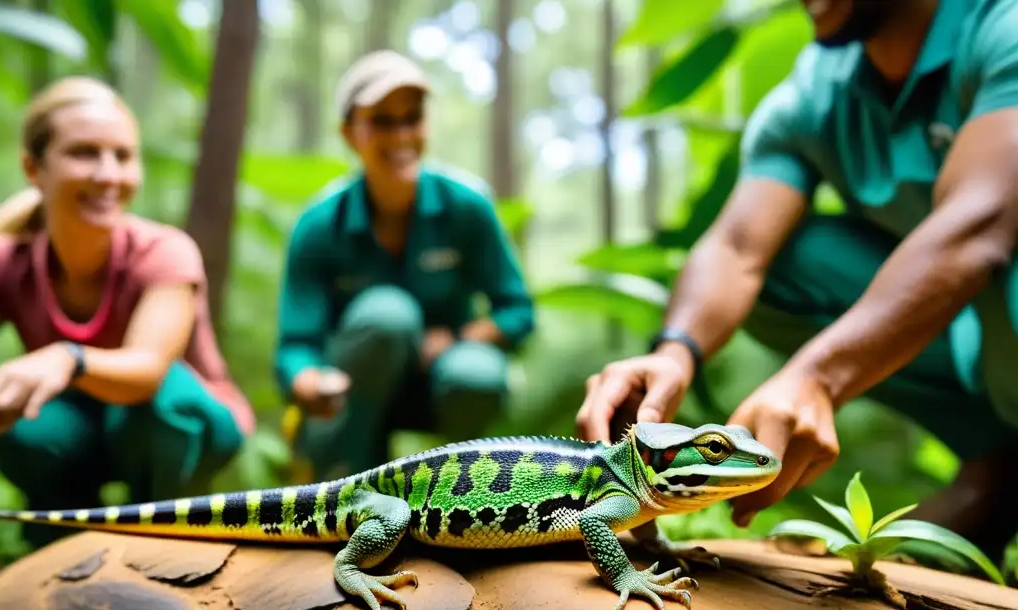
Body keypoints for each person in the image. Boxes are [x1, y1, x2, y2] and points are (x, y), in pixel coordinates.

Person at [577, 0, 1018, 568]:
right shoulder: (816, 87)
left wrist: (818, 376)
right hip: (966, 332)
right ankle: (1001, 465)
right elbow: (739, 246)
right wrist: (674, 354)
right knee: (785, 263)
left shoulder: (1001, 28)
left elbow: (979, 226)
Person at [0, 76, 254, 544]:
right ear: (34, 168)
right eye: (84, 153)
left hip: (180, 421)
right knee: (15, 416)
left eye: (123, 156)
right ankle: (59, 546)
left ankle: (168, 542)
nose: (108, 174)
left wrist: (66, 357)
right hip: (83, 428)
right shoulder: (9, 261)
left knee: (157, 404)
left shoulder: (164, 251)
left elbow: (149, 371)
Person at [274, 50, 535, 480]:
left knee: (479, 375)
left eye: (412, 118)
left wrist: (454, 339)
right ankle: (345, 483)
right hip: (355, 386)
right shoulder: (320, 224)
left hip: (442, 381)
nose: (400, 136)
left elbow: (518, 311)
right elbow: (295, 345)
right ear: (349, 132)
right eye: (382, 121)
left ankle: (462, 494)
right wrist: (309, 383)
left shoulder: (467, 206)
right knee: (388, 315)